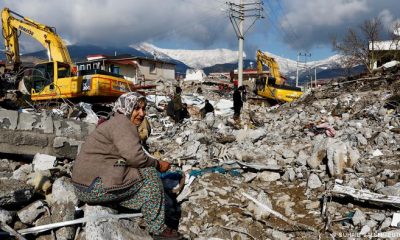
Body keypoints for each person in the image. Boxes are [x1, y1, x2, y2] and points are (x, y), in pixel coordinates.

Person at [71, 92, 181, 239]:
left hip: (83, 186)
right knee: (150, 174)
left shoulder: (115, 120)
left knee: (133, 172)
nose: (142, 113)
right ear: (126, 108)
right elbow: (136, 158)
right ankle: (158, 228)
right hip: (92, 188)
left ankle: (134, 207)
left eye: (144, 108)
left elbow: (127, 156)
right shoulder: (123, 124)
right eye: (137, 109)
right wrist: (157, 164)